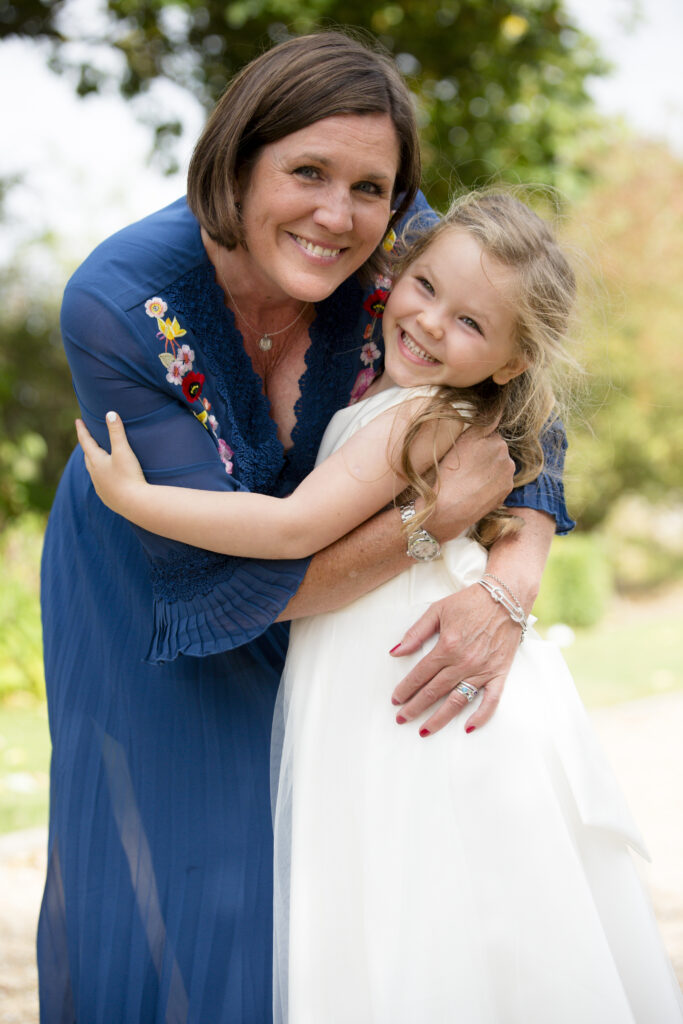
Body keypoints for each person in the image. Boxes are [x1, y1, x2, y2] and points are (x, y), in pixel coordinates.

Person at [40, 32, 573, 1024]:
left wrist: (511, 577)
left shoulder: (403, 243)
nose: (339, 215)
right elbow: (242, 578)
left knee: (353, 872)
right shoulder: (117, 303)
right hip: (161, 567)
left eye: (370, 188)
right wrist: (428, 519)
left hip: (341, 577)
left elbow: (523, 384)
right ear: (237, 158)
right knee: (207, 880)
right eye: (305, 172)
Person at [77, 190, 683, 1023]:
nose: (432, 323)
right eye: (426, 288)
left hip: (398, 670)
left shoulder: (412, 418)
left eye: (471, 324)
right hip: (398, 645)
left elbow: (291, 528)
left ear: (511, 364)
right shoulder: (427, 411)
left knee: (414, 873)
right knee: (448, 879)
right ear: (401, 269)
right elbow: (396, 530)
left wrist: (138, 502)